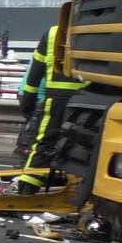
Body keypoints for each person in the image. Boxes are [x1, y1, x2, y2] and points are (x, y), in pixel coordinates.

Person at [16, 24, 88, 194]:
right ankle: (79, 192)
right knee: (83, 146)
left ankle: (26, 191)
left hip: (55, 99)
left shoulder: (53, 33)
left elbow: (35, 72)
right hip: (87, 100)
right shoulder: (102, 31)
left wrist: (28, 102)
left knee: (45, 143)